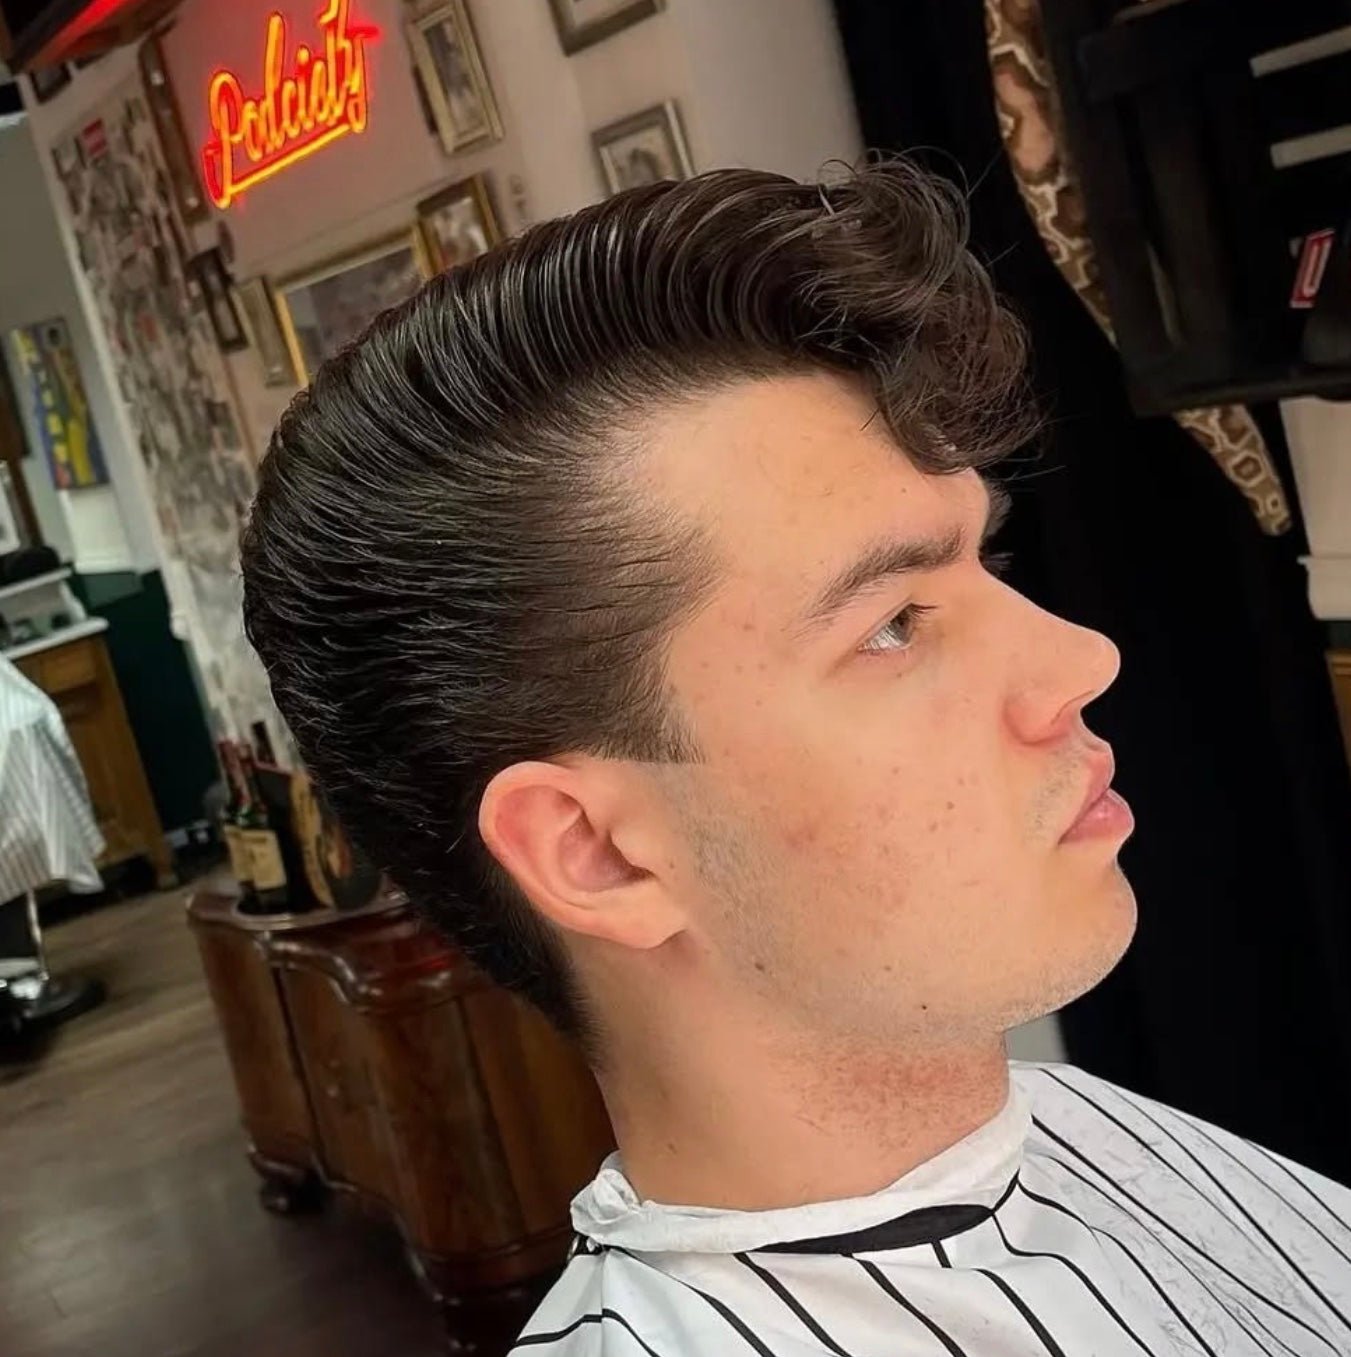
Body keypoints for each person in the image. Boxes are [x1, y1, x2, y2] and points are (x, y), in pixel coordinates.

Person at [240, 162, 1351, 1355]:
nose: (1081, 659)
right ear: (597, 852)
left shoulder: (1093, 1132)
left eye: (984, 562)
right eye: (892, 624)